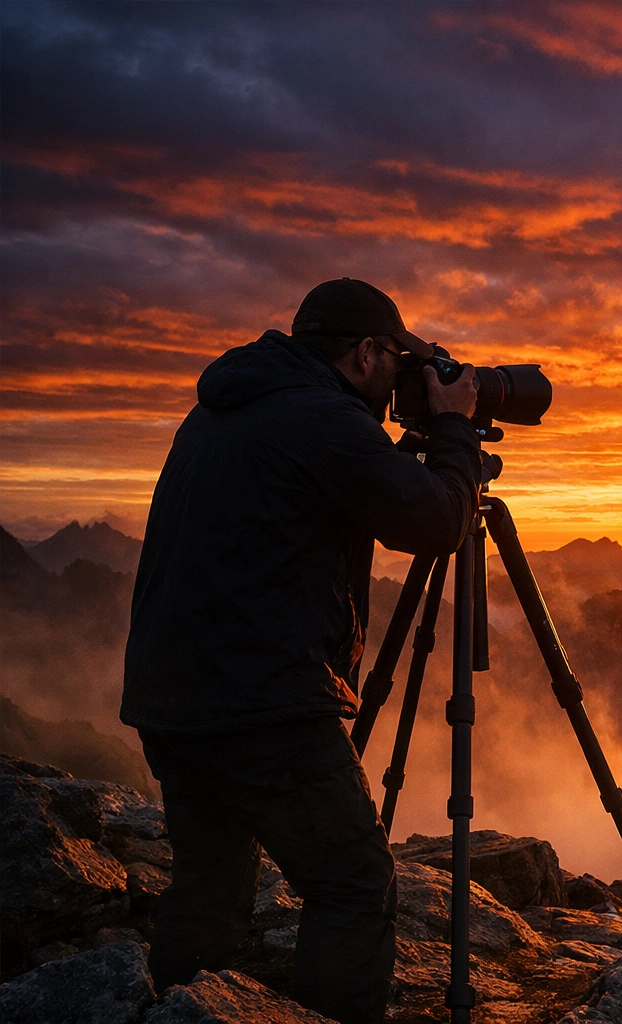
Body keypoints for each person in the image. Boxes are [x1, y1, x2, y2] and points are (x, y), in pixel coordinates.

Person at [121, 278, 483, 1024]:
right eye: (396, 361)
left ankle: (180, 1010)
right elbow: (437, 523)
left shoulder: (228, 405)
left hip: (171, 695)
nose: (399, 381)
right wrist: (452, 433)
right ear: (365, 353)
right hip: (263, 701)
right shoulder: (321, 417)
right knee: (353, 883)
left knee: (210, 886)